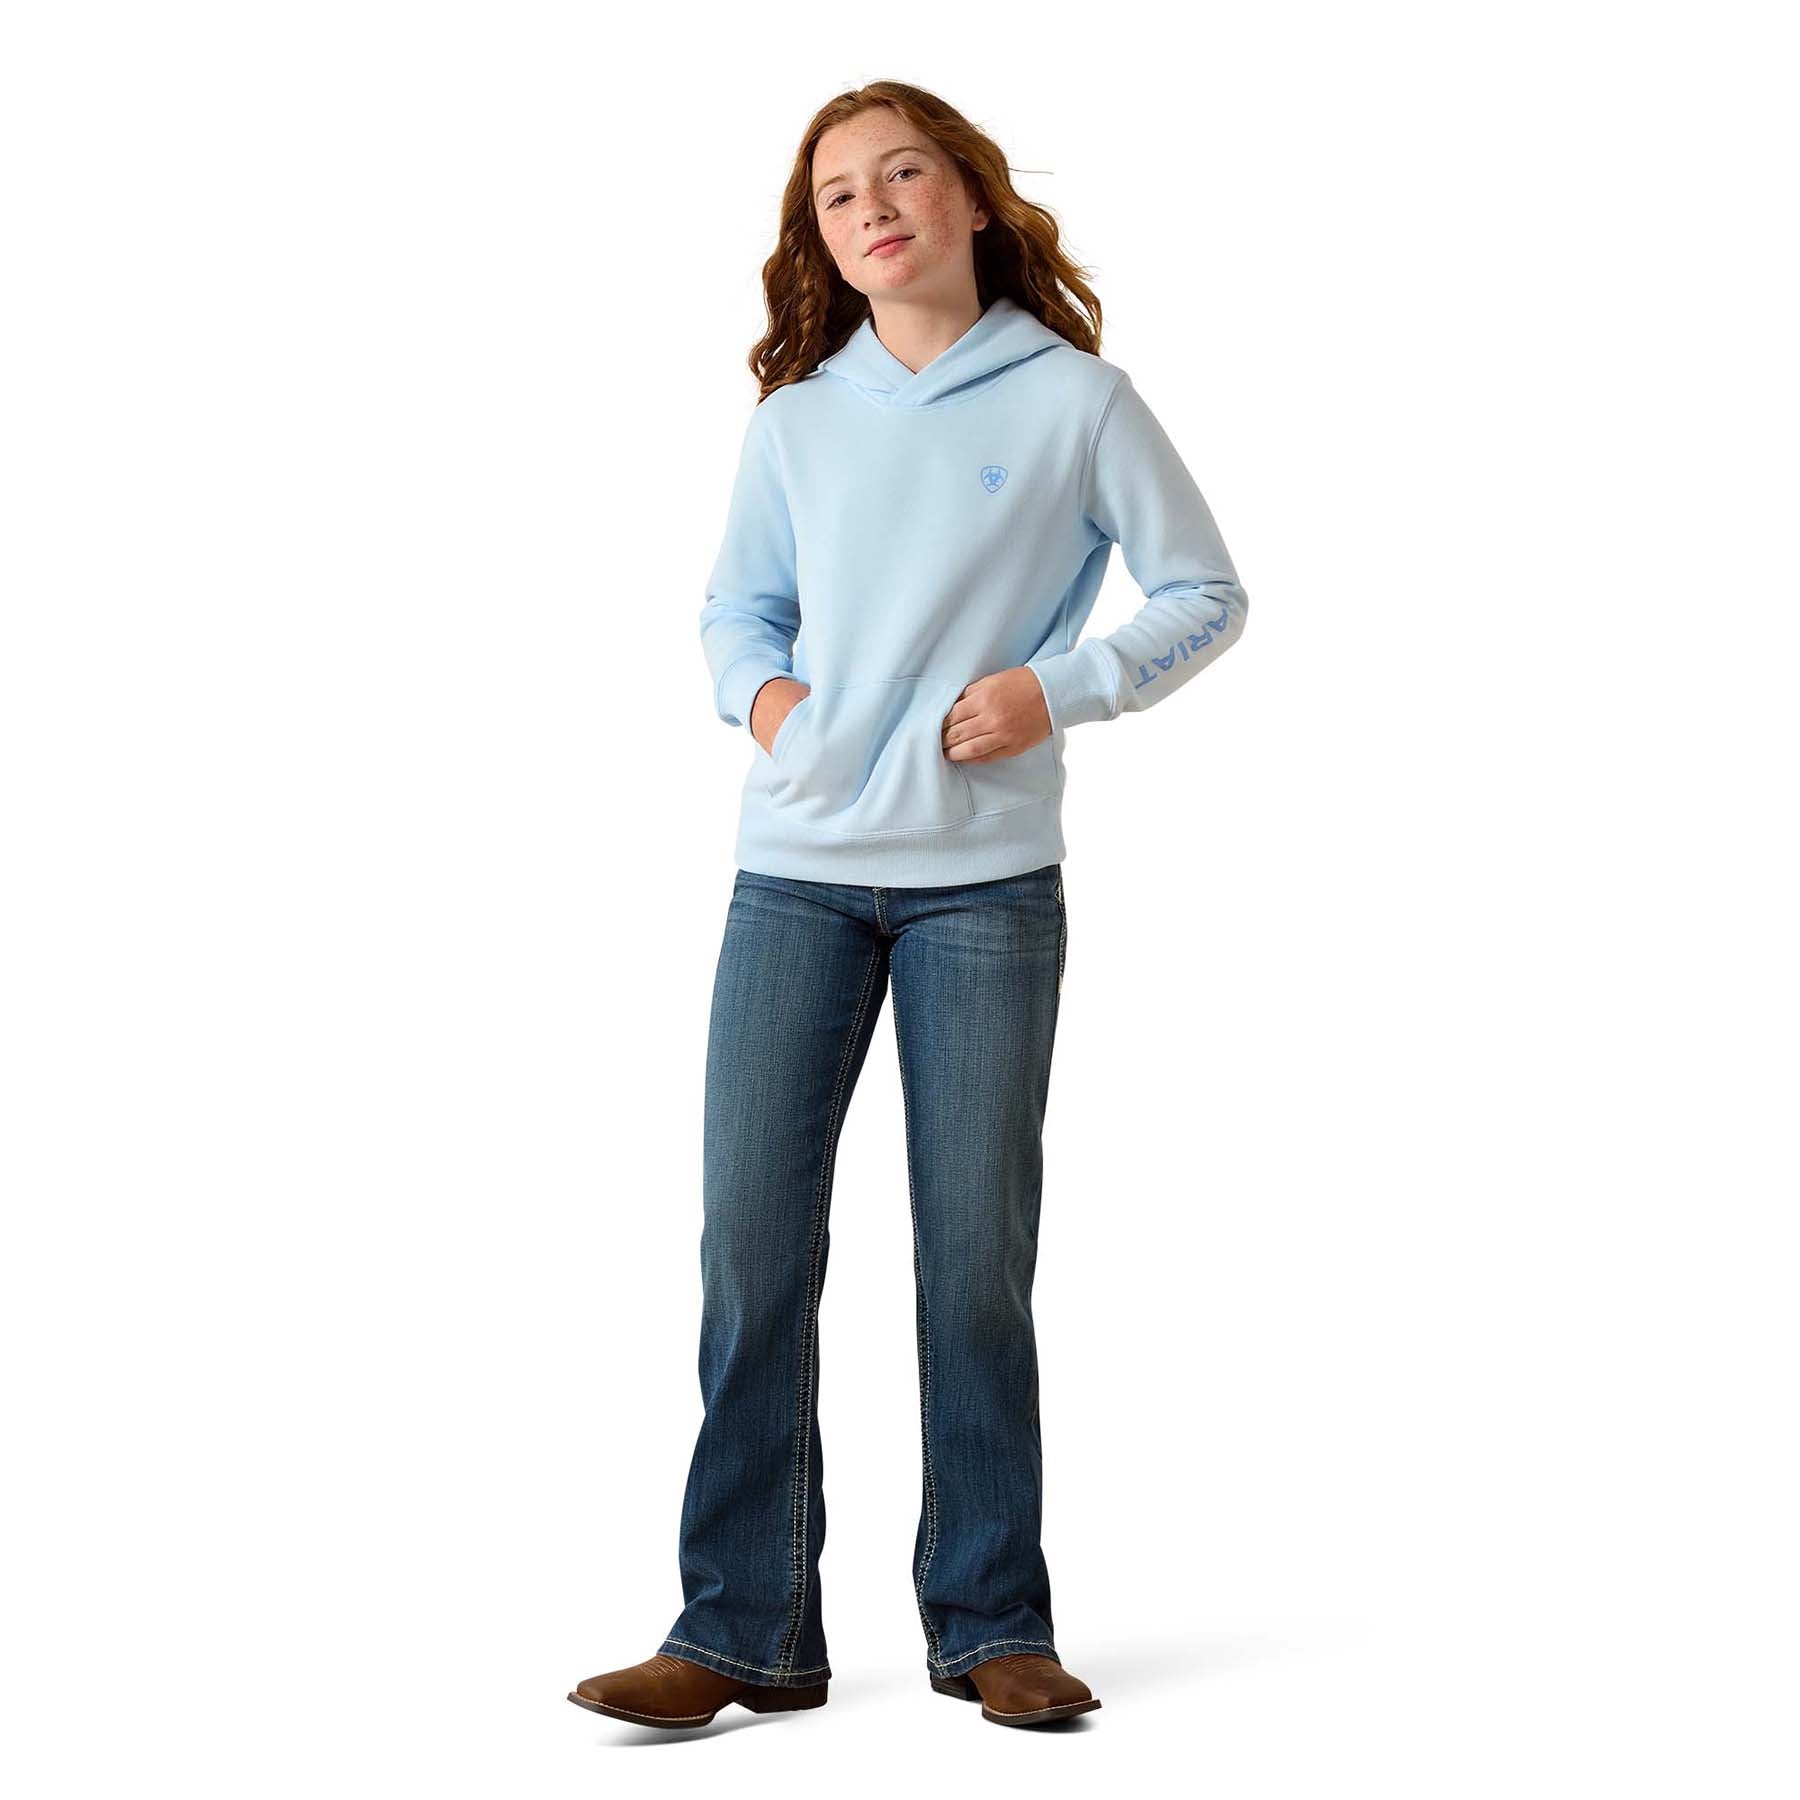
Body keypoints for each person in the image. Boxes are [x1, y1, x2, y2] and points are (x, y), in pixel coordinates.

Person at [569, 79, 1247, 1734]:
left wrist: (1058, 688)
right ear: (821, 241)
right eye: (837, 195)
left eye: (904, 174)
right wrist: (771, 706)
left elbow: (1205, 592)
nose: (872, 207)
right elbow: (737, 609)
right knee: (751, 1250)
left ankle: (993, 1618)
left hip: (984, 892)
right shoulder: (799, 420)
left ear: (972, 198)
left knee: (971, 1263)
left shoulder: (1078, 400)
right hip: (794, 881)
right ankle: (741, 1631)